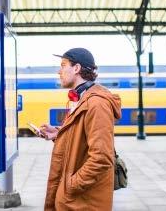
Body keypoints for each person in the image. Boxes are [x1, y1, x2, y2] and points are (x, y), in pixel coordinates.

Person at [40, 48, 121, 211]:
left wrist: (70, 186)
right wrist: (59, 134)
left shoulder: (97, 104)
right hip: (76, 201)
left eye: (63, 65)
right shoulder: (83, 99)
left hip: (83, 202)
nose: (59, 71)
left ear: (76, 68)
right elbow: (82, 139)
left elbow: (102, 158)